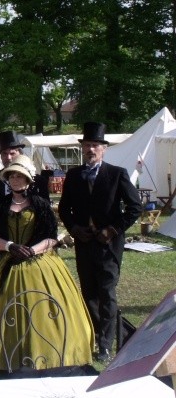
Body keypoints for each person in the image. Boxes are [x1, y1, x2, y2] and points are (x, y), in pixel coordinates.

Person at [0, 155, 95, 370]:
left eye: (20, 176)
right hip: (3, 259)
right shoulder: (0, 206)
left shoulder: (40, 205)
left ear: (29, 179)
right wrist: (10, 246)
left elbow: (51, 237)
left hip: (39, 261)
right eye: (12, 176)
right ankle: (6, 354)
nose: (16, 179)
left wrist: (31, 250)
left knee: (43, 307)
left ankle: (47, 352)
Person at [58, 122, 142, 362]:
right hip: (85, 245)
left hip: (108, 247)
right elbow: (64, 208)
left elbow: (135, 207)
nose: (91, 150)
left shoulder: (117, 174)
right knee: (89, 294)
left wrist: (113, 230)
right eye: (87, 146)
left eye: (95, 146)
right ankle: (105, 334)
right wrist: (74, 229)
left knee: (107, 293)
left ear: (104, 149)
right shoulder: (74, 176)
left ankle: (105, 344)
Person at [0, 131, 49, 209]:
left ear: (20, 154)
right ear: (0, 156)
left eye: (12, 153)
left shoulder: (38, 181)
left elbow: (45, 210)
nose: (8, 157)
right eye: (4, 153)